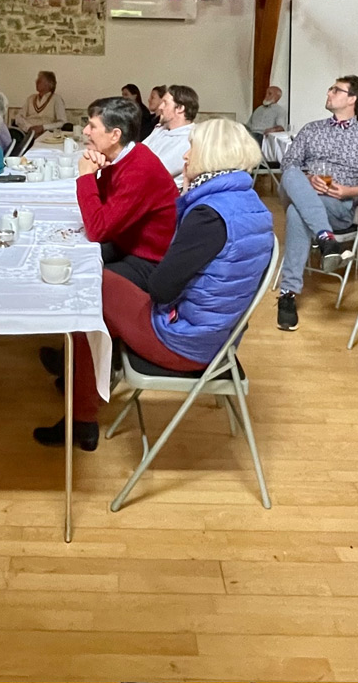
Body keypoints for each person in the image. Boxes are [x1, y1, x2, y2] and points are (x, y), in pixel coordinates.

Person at [34, 117, 275, 450]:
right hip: (216, 333)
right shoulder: (249, 204)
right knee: (103, 295)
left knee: (88, 287)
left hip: (186, 343)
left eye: (193, 148)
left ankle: (82, 415)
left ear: (213, 155)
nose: (186, 157)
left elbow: (161, 289)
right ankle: (85, 388)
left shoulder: (209, 215)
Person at [277, 74, 358, 331]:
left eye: (336, 89)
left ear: (352, 99)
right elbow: (288, 165)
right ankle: (326, 239)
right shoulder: (312, 129)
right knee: (290, 174)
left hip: (338, 206)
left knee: (296, 214)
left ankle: (288, 293)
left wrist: (350, 191)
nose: (329, 92)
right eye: (330, 88)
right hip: (304, 192)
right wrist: (309, 179)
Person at [75, 96, 179, 284]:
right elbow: (104, 208)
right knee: (72, 255)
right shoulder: (125, 156)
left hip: (151, 260)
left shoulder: (139, 168)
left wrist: (85, 176)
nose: (85, 131)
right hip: (126, 244)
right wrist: (102, 170)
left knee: (83, 278)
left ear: (115, 135)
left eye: (92, 126)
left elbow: (98, 229)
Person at [143, 84, 198, 183]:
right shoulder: (161, 129)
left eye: (165, 103)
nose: (160, 107)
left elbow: (152, 173)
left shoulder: (188, 140)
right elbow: (136, 153)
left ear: (180, 108)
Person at [16, 71, 66, 135]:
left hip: (47, 134)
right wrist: (28, 127)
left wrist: (43, 127)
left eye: (39, 81)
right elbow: (18, 117)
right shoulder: (31, 98)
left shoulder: (56, 99)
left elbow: (62, 122)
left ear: (49, 84)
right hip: (28, 133)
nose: (36, 82)